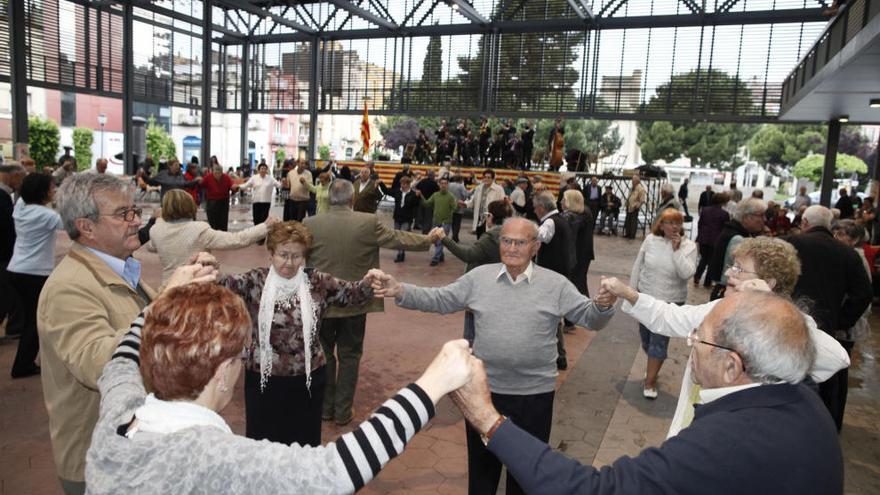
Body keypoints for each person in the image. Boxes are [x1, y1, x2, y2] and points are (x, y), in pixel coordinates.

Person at [86, 278, 481, 494]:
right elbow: (336, 470)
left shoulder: (118, 412)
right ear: (224, 371)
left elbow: (122, 357)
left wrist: (165, 302)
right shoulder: (213, 458)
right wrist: (434, 383)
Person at [451, 291, 844, 495]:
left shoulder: (729, 441)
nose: (690, 344)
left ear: (732, 366)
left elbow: (594, 490)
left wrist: (487, 418)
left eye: (699, 339)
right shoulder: (802, 401)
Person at [370, 216, 615, 495]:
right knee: (482, 472)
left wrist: (603, 305)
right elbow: (441, 299)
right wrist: (400, 289)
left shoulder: (555, 285)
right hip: (484, 394)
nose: (511, 248)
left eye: (520, 242)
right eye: (506, 241)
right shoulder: (479, 278)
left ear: (535, 247)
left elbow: (589, 317)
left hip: (534, 397)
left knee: (525, 475)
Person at [602, 236, 850, 437]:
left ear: (768, 282)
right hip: (698, 416)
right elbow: (670, 317)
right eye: (733, 265)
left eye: (740, 269)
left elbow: (837, 357)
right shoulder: (722, 307)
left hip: (739, 431)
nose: (729, 273)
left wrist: (769, 301)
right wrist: (627, 293)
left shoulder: (788, 325)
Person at [37, 173, 158, 494]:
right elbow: (98, 365)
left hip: (130, 446)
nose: (135, 221)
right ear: (86, 227)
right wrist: (168, 305)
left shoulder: (121, 268)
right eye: (123, 214)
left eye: (134, 211)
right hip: (99, 460)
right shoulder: (69, 287)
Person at [216, 222, 378, 446]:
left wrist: (370, 281)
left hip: (308, 378)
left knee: (304, 442)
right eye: (283, 255)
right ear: (271, 253)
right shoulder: (255, 281)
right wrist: (210, 267)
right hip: (263, 379)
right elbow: (222, 285)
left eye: (297, 256)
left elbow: (352, 294)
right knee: (262, 442)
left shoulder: (317, 281)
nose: (289, 263)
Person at [303, 180, 439, 425]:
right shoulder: (368, 222)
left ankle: (325, 409)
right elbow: (398, 239)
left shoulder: (310, 224)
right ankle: (343, 411)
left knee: (323, 355)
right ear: (352, 199)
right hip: (356, 301)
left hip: (319, 301)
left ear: (329, 198)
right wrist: (428, 240)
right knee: (350, 354)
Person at [786, 205, 872, 431]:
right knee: (827, 381)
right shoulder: (847, 253)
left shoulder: (791, 244)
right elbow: (863, 294)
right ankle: (826, 428)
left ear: (804, 222)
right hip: (828, 326)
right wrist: (843, 320)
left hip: (789, 322)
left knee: (790, 374)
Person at [630, 208, 697, 398]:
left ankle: (649, 382)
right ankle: (653, 366)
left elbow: (687, 273)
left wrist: (677, 252)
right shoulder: (651, 240)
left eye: (677, 223)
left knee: (658, 342)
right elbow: (638, 265)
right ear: (661, 224)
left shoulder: (688, 246)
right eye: (669, 222)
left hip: (669, 302)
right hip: (646, 297)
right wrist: (631, 292)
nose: (674, 226)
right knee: (646, 339)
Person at [148, 190, 274, 287]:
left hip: (168, 287)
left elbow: (152, 247)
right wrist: (265, 226)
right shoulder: (198, 229)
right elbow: (237, 239)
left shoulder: (156, 230)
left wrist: (159, 220)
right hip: (198, 287)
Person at [8, 173, 63, 378]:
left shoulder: (20, 209)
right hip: (35, 273)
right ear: (42, 192)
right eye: (51, 187)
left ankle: (25, 361)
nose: (54, 190)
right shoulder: (45, 215)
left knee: (29, 319)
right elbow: (70, 224)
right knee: (36, 321)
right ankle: (23, 364)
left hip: (17, 268)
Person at [435, 199, 512, 343]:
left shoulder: (490, 237)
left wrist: (444, 239)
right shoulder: (511, 235)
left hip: (481, 291)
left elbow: (468, 255)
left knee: (471, 338)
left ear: (491, 216)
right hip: (500, 289)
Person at [706, 197, 766, 300]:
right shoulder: (738, 239)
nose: (764, 219)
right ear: (747, 217)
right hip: (728, 293)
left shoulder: (733, 231)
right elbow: (735, 270)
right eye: (760, 215)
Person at [0, 164, 26, 337]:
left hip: (7, 256)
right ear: (13, 175)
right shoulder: (2, 196)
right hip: (3, 254)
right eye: (21, 177)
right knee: (4, 294)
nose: (22, 182)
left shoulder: (6, 195)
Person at [561, 189, 595, 298]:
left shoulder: (574, 217)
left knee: (577, 284)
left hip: (578, 255)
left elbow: (568, 238)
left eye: (564, 199)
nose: (561, 202)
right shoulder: (583, 212)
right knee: (579, 283)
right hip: (582, 254)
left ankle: (582, 310)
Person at [417, 176, 458, 266]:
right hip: (436, 222)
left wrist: (457, 204)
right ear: (439, 185)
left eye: (445, 184)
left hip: (446, 223)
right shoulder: (435, 195)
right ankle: (440, 255)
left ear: (448, 185)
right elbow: (427, 204)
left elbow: (454, 208)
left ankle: (435, 258)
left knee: (440, 241)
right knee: (436, 241)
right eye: (442, 183)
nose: (443, 185)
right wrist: (421, 196)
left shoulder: (451, 197)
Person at [693, 192, 730, 287]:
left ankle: (697, 277)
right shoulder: (724, 214)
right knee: (711, 262)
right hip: (715, 240)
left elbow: (700, 224)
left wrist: (700, 235)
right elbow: (724, 228)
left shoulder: (704, 210)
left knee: (704, 259)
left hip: (703, 238)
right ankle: (707, 282)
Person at [463, 169, 506, 238]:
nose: (486, 179)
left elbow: (502, 204)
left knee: (490, 242)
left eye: (489, 177)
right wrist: (465, 204)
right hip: (479, 220)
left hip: (492, 221)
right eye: (485, 177)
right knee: (480, 241)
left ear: (493, 179)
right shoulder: (478, 188)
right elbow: (473, 201)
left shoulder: (499, 189)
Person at [201, 163, 238, 231]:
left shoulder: (226, 177)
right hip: (211, 202)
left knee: (223, 222)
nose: (217, 173)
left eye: (219, 172)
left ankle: (223, 238)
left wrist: (234, 188)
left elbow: (232, 186)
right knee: (212, 223)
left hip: (223, 202)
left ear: (222, 172)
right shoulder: (208, 177)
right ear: (212, 171)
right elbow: (201, 185)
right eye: (216, 171)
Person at [392, 176, 419, 263]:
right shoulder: (398, 192)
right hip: (397, 217)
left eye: (403, 184)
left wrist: (417, 197)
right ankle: (401, 252)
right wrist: (381, 184)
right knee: (397, 236)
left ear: (408, 184)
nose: (402, 185)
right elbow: (387, 192)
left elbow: (416, 205)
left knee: (402, 236)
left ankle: (400, 254)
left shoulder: (413, 194)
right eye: (401, 183)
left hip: (407, 218)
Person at [447, 174, 469, 242]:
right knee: (457, 223)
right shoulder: (461, 186)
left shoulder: (449, 184)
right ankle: (455, 236)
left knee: (449, 222)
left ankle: (446, 237)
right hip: (459, 207)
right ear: (461, 180)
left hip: (449, 206)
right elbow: (466, 195)